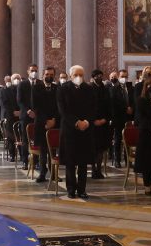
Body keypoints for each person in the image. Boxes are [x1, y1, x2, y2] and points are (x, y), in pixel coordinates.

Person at [57, 66, 97, 199]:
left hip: (85, 130)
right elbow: (63, 110)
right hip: (69, 130)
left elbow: (93, 108)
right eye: (76, 75)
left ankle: (82, 189)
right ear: (70, 76)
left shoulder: (89, 89)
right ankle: (71, 189)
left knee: (83, 162)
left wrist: (86, 122)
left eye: (81, 75)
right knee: (70, 162)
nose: (79, 77)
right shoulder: (63, 89)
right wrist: (76, 122)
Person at [32, 66, 60, 184]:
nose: (49, 76)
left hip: (54, 122)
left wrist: (53, 120)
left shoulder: (57, 88)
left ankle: (53, 174)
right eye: (47, 74)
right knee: (43, 150)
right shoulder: (36, 88)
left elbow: (59, 106)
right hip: (41, 123)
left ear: (54, 76)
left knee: (53, 150)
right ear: (43, 75)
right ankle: (42, 173)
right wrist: (46, 121)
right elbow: (35, 106)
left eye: (51, 74)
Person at [108, 70, 132, 168]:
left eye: (125, 76)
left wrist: (131, 108)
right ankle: (117, 160)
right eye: (122, 76)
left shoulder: (131, 87)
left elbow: (133, 100)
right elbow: (114, 103)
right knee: (118, 139)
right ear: (118, 76)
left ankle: (128, 160)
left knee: (129, 139)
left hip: (129, 117)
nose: (124, 78)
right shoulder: (114, 89)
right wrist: (125, 108)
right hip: (119, 117)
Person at [89, 69, 111, 178]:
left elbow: (109, 105)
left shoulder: (105, 89)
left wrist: (104, 119)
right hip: (93, 123)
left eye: (100, 75)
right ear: (93, 77)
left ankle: (99, 169)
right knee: (94, 148)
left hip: (104, 123)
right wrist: (93, 120)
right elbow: (87, 106)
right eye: (97, 76)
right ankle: (94, 169)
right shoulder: (89, 88)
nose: (99, 77)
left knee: (101, 148)